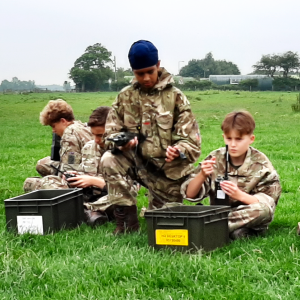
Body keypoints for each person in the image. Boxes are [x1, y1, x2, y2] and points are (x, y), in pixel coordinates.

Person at [100, 40, 201, 235]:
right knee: (109, 160)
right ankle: (127, 223)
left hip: (167, 172)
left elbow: (192, 143)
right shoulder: (124, 97)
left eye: (150, 71)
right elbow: (108, 136)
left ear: (158, 65)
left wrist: (179, 150)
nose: (146, 78)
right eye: (140, 73)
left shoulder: (176, 97)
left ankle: (155, 207)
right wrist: (120, 144)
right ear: (132, 71)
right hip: (136, 163)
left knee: (164, 225)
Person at [181, 110, 281, 240]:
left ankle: (206, 227)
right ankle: (235, 232)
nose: (233, 144)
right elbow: (190, 194)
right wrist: (202, 175)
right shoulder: (215, 158)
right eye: (229, 139)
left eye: (239, 139)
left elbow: (268, 205)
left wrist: (239, 195)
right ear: (224, 137)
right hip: (219, 212)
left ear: (251, 139)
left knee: (263, 212)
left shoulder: (261, 165)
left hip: (248, 216)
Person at [23, 99, 93, 192]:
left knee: (29, 183)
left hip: (83, 183)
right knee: (42, 164)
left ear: (63, 121)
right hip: (93, 173)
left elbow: (69, 167)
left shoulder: (69, 134)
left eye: (53, 126)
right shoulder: (81, 126)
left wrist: (53, 181)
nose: (53, 130)